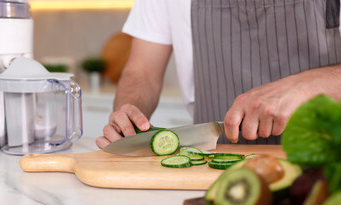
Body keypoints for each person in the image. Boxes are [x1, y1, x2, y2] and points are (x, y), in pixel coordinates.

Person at [96, 0, 341, 149]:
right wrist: (128, 116)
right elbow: (143, 71)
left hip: (330, 164)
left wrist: (306, 87)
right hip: (212, 165)